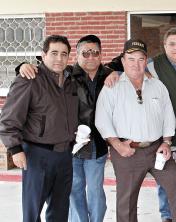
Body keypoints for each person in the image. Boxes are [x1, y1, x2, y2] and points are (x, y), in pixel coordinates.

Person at [105, 28, 176, 222]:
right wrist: (111, 72)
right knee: (164, 177)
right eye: (171, 44)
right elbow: (130, 64)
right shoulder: (153, 64)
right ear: (164, 46)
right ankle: (167, 215)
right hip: (161, 129)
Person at [17, 35, 112, 222]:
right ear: (76, 55)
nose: (91, 57)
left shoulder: (109, 74)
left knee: (95, 192)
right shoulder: (68, 74)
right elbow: (40, 71)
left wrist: (118, 71)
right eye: (85, 52)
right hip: (71, 147)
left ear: (101, 55)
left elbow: (129, 62)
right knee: (74, 191)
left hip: (96, 146)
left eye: (95, 53)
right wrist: (21, 66)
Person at [0, 35, 79, 221]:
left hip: (65, 156)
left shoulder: (71, 80)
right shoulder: (29, 79)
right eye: (54, 53)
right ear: (43, 55)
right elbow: (9, 118)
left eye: (64, 54)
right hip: (37, 155)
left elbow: (98, 68)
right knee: (32, 210)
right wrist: (15, 149)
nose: (59, 58)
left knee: (60, 210)